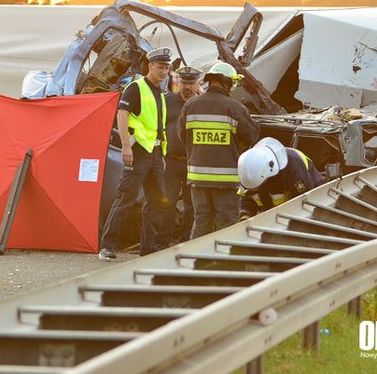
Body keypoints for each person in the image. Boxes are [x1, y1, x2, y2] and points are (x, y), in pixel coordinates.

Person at [99, 47, 172, 260]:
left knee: (157, 200)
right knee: (126, 197)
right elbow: (122, 115)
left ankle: (148, 248)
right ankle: (107, 246)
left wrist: (162, 155)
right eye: (160, 67)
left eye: (167, 68)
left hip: (155, 153)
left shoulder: (160, 93)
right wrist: (126, 146)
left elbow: (159, 127)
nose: (164, 71)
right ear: (150, 66)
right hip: (138, 151)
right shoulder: (136, 88)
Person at [178, 61, 259, 238]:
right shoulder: (236, 108)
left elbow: (182, 137)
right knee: (227, 225)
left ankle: (194, 262)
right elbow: (251, 136)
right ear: (227, 82)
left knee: (201, 222)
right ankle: (222, 263)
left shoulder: (190, 106)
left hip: (197, 179)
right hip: (226, 180)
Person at [237, 137, 324, 219]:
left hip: (312, 199)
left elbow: (303, 204)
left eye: (256, 187)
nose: (254, 190)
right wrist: (245, 216)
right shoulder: (249, 171)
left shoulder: (293, 167)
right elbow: (246, 198)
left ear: (267, 177)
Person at [163, 66, 202, 243]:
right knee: (167, 203)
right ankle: (164, 241)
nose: (187, 87)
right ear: (178, 82)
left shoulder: (203, 104)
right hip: (170, 162)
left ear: (198, 83)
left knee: (192, 205)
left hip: (193, 162)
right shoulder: (167, 101)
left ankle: (187, 241)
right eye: (184, 82)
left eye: (191, 83)